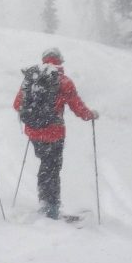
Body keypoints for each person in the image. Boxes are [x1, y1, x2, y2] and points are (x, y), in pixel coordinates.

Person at [13, 46, 97, 219]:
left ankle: (45, 202)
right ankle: (51, 207)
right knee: (52, 168)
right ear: (60, 61)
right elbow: (77, 107)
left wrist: (34, 114)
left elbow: (17, 105)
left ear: (44, 60)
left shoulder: (31, 78)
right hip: (54, 133)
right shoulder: (63, 81)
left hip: (34, 132)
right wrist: (90, 115)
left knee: (45, 165)